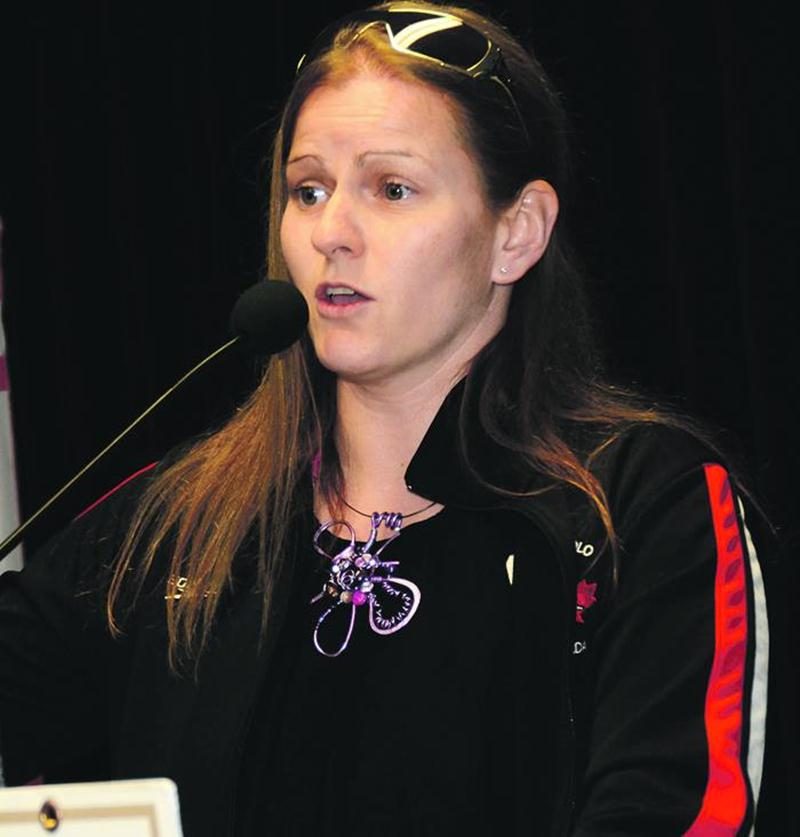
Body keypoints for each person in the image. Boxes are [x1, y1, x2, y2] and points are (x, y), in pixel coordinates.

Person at [0, 3, 776, 835]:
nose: (332, 233)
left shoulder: (644, 508)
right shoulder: (180, 522)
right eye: (308, 190)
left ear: (516, 233)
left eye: (392, 188)